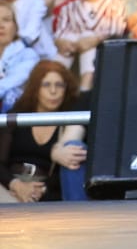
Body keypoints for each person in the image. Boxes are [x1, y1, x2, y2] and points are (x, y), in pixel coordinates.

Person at [0, 61, 87, 202]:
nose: (53, 91)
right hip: (9, 187)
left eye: (59, 85)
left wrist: (40, 190)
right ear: (36, 88)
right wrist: (16, 185)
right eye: (46, 85)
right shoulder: (17, 116)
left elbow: (68, 169)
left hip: (45, 193)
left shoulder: (69, 122)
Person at [51, 0, 131, 91]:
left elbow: (117, 30)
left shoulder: (115, 3)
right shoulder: (68, 8)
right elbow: (60, 34)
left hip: (107, 62)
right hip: (71, 59)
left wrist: (93, 40)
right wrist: (65, 43)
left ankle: (85, 92)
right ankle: (54, 88)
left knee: (89, 44)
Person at [0, 0, 41, 112]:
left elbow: (12, 82)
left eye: (6, 20)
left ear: (16, 27)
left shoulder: (28, 55)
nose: (1, 25)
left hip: (17, 119)